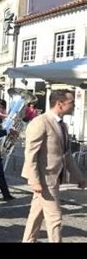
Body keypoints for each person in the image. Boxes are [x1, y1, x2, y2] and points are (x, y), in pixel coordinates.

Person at [22, 90, 86, 243]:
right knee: (55, 218)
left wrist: (80, 178)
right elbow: (31, 154)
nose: (74, 105)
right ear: (60, 104)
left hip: (55, 178)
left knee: (36, 215)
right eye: (71, 102)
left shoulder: (62, 125)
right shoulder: (40, 122)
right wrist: (34, 180)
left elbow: (67, 155)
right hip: (44, 179)